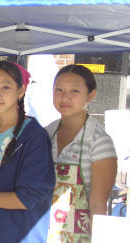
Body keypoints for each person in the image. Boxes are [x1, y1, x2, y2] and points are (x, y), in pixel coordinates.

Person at [0, 61, 55, 242]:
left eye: (5, 87)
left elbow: (25, 199)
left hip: (22, 234)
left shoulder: (34, 136)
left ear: (21, 91)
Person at [45, 64, 117, 242]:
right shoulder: (46, 133)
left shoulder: (99, 141)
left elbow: (98, 205)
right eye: (59, 90)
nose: (65, 97)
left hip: (80, 236)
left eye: (74, 91)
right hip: (43, 231)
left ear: (91, 95)